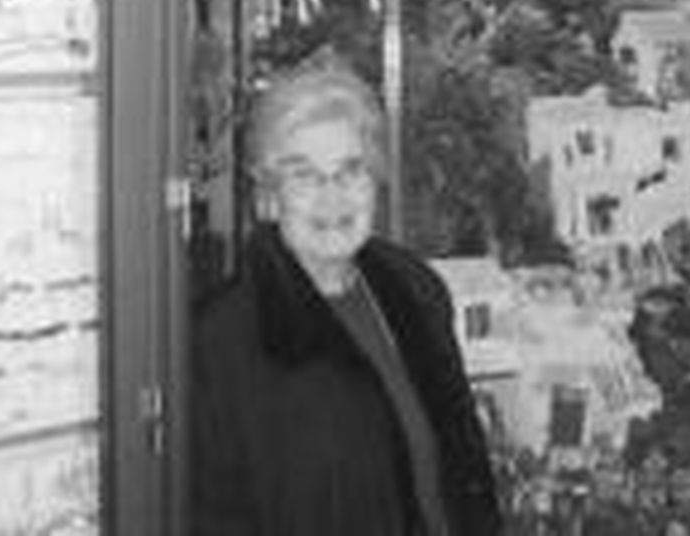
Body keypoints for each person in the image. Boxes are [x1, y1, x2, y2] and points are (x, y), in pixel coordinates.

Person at [191, 51, 502, 535]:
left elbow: (464, 476)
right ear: (269, 196)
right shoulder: (224, 340)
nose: (332, 196)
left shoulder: (415, 292)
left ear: (375, 180)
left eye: (351, 170)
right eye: (305, 174)